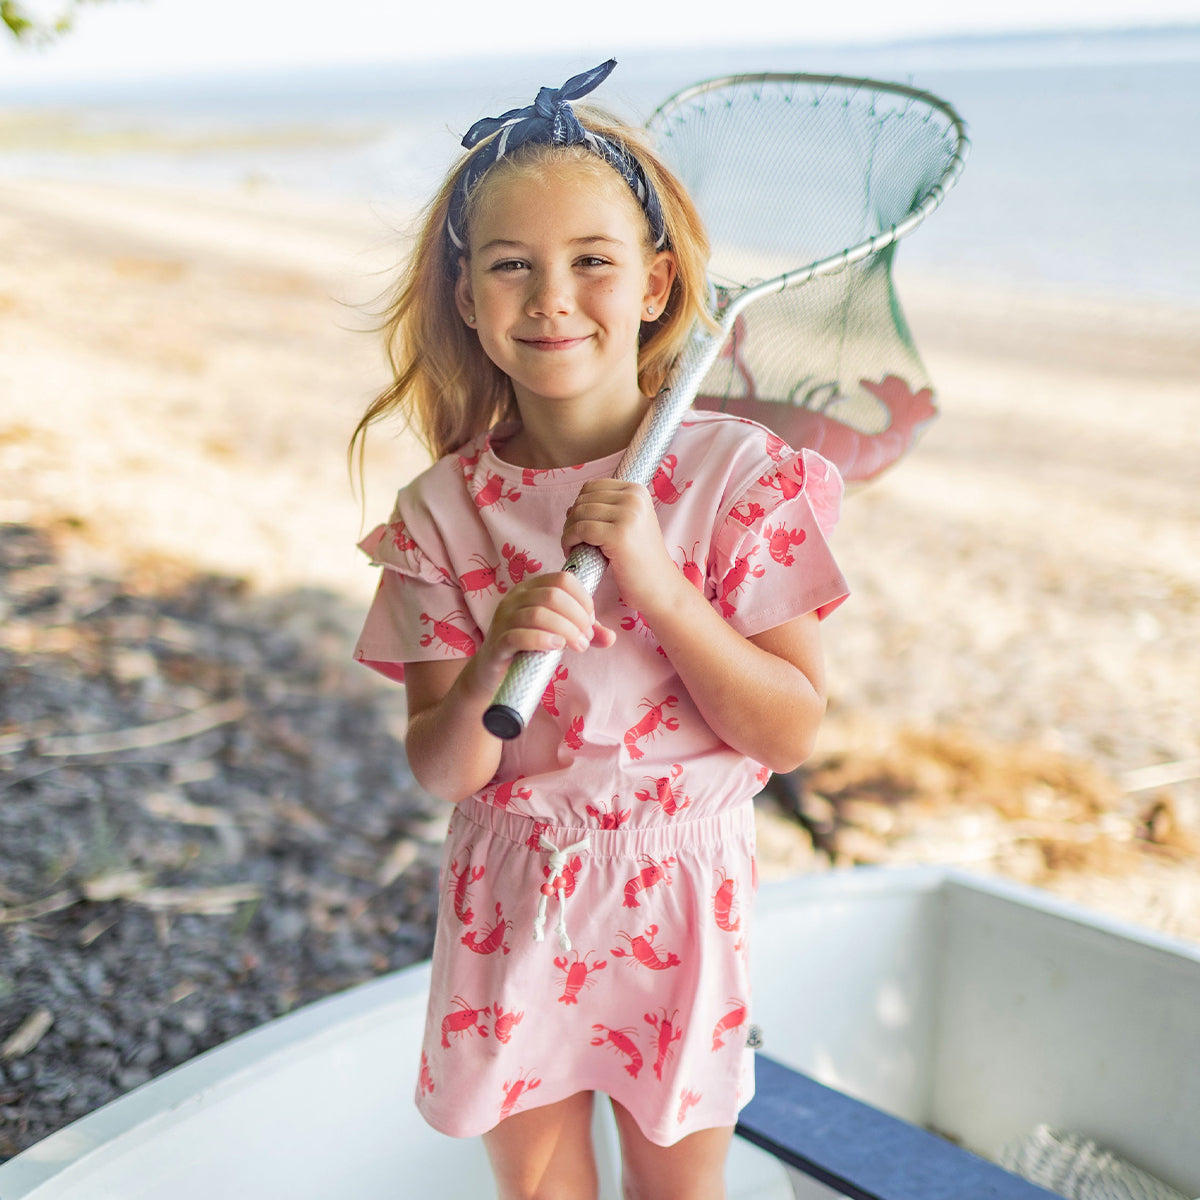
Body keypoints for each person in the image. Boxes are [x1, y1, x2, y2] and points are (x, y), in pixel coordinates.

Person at [350, 59, 848, 1200]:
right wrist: (494, 655)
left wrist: (661, 586)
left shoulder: (739, 478)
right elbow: (443, 766)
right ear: (466, 297)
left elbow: (789, 731)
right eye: (511, 266)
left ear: (658, 283)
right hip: (510, 898)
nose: (551, 298)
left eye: (592, 261)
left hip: (680, 893)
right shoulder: (440, 512)